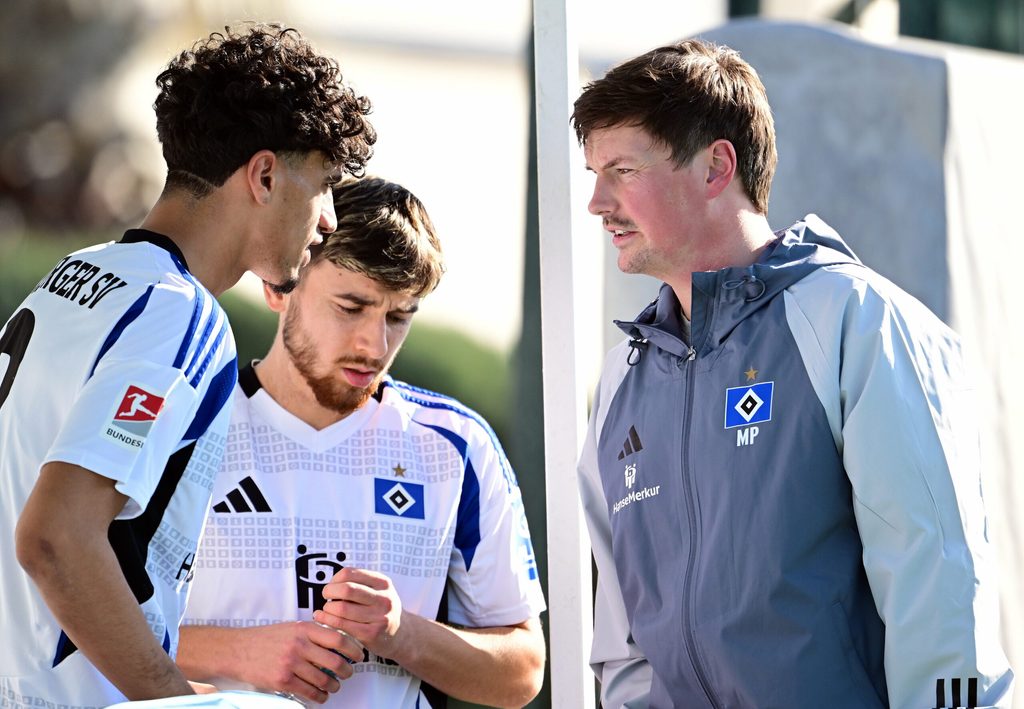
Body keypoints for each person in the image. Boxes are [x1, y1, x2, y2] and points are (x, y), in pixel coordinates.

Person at [572, 38, 1012, 709]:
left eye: (623, 170)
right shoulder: (619, 386)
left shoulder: (856, 321)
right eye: (594, 174)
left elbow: (940, 595)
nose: (597, 202)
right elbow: (624, 646)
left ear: (717, 166)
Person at [0, 23, 375, 707]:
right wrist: (173, 697)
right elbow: (54, 538)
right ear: (264, 175)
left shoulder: (76, 275)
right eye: (323, 186)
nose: (327, 220)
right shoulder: (182, 315)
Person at [176, 177, 547, 707]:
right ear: (279, 288)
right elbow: (76, 621)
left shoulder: (456, 446)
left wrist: (405, 636)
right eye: (351, 307)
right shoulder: (188, 424)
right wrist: (238, 653)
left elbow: (523, 671)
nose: (374, 345)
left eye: (399, 317)